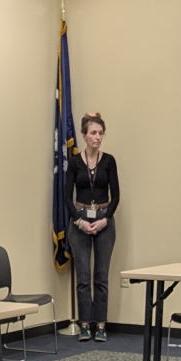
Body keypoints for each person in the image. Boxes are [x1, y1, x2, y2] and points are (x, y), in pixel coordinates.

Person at [66, 111, 119, 342]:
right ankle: (84, 324)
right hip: (79, 220)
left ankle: (101, 324)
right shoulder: (75, 162)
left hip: (104, 220)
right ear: (84, 136)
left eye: (100, 133)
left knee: (101, 275)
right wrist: (79, 221)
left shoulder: (109, 161)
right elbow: (67, 197)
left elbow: (116, 196)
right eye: (93, 133)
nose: (97, 137)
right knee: (83, 275)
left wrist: (104, 219)